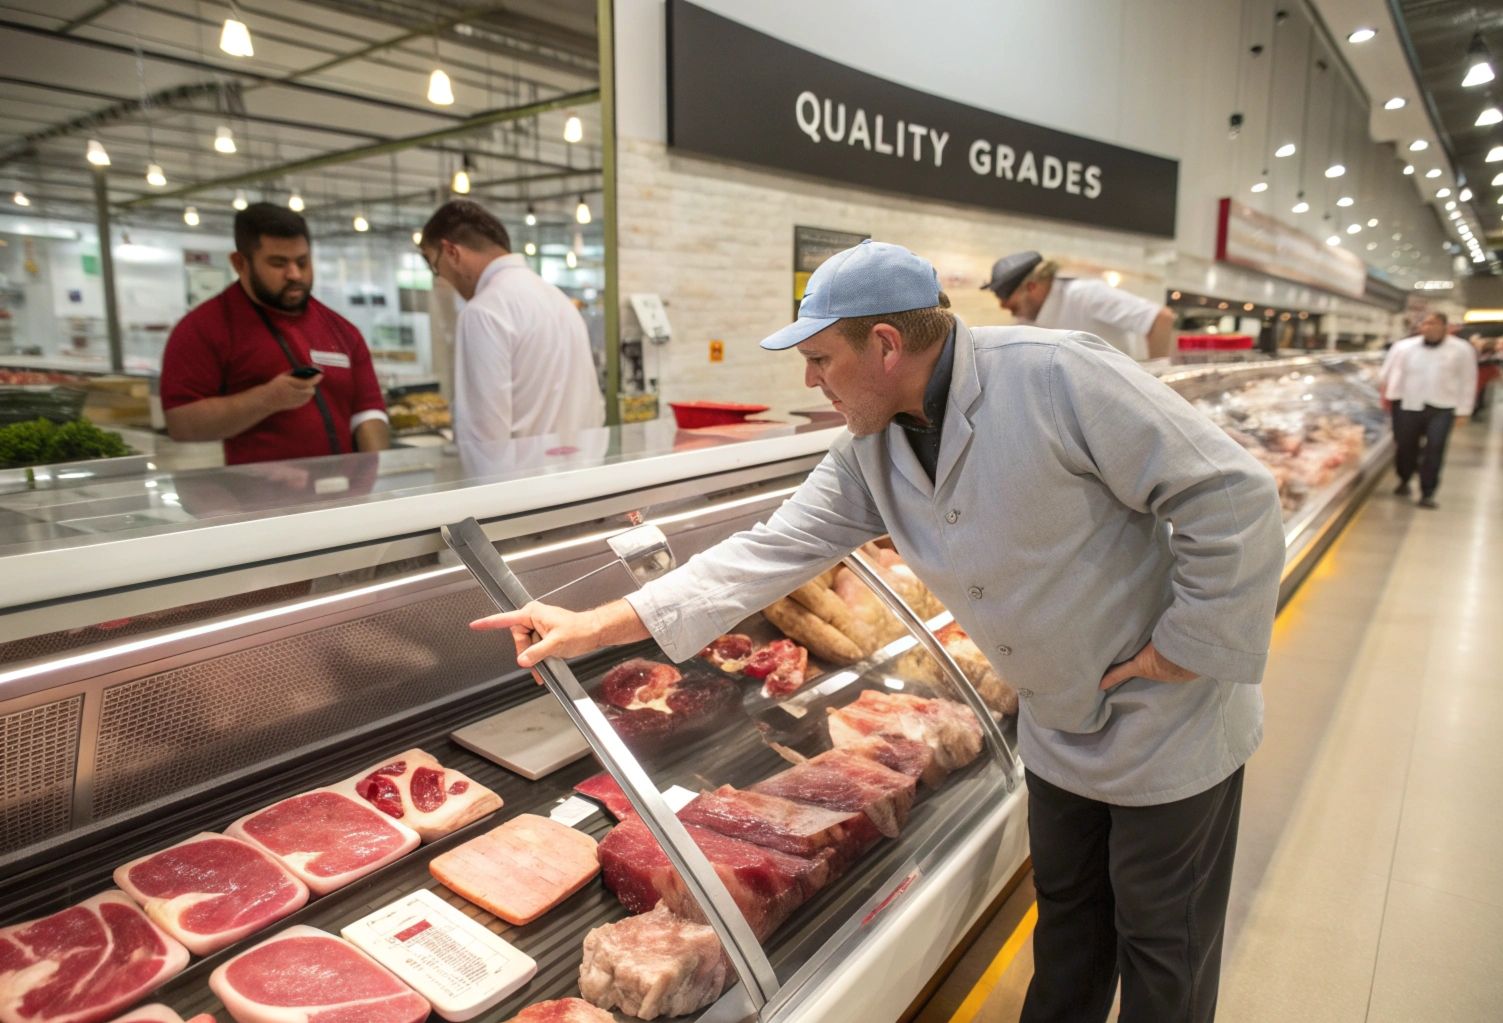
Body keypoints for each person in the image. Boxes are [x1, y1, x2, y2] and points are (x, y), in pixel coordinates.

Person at [471, 240, 1286, 1023]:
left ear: (887, 344)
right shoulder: (871, 446)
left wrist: (1187, 645)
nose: (809, 378)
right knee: (1071, 929)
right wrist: (594, 624)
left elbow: (1230, 493)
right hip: (1058, 725)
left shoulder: (1055, 373)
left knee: (1161, 953)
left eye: (821, 358)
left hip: (1163, 722)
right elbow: (767, 551)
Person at [160, 203, 389, 465]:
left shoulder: (342, 330)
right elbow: (180, 423)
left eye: (302, 262)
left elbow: (368, 411)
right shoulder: (204, 328)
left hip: (344, 496)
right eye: (278, 263)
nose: (294, 274)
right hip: (257, 500)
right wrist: (266, 399)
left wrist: (376, 480)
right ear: (239, 263)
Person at [416, 199, 604, 446]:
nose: (441, 278)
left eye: (434, 266)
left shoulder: (484, 311)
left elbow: (483, 437)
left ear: (451, 252)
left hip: (521, 480)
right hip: (582, 474)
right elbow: (594, 409)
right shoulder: (558, 300)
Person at [982, 250, 1176, 360]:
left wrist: (1156, 382)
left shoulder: (1086, 295)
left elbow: (1160, 318)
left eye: (1007, 299)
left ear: (1032, 287)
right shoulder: (1026, 321)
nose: (1003, 307)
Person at [1379, 312, 1476, 509]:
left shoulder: (1462, 349)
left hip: (1443, 406)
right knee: (1405, 446)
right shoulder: (1403, 347)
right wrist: (1386, 395)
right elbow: (1386, 373)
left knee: (1435, 448)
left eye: (1433, 323)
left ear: (1444, 326)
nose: (1428, 327)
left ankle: (1428, 492)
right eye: (1425, 324)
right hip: (1407, 403)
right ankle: (1404, 478)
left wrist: (1464, 410)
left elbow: (1468, 380)